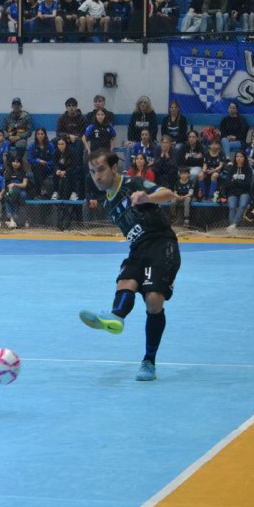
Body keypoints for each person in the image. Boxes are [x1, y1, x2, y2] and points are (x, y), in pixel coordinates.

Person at [80, 150, 180, 381]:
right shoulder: (108, 202)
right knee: (125, 281)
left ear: (114, 168)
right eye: (93, 172)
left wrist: (146, 197)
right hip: (137, 250)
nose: (97, 176)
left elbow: (168, 194)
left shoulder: (133, 183)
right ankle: (116, 317)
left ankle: (149, 362)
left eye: (101, 169)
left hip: (161, 243)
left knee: (153, 301)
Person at [225, 151, 253, 230]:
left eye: (241, 157)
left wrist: (235, 181)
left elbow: (247, 184)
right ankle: (233, 226)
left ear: (244, 158)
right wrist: (239, 183)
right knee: (232, 207)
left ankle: (233, 225)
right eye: (237, 156)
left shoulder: (248, 170)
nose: (239, 158)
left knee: (243, 205)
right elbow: (227, 183)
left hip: (244, 191)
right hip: (232, 192)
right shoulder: (231, 169)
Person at [2, 98, 33, 162]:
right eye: (14, 104)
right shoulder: (7, 117)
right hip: (9, 138)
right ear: (11, 106)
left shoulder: (26, 117)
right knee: (4, 144)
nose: (16, 106)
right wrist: (8, 136)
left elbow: (29, 131)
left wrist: (20, 137)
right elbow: (3, 130)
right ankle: (10, 163)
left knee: (21, 144)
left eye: (18, 104)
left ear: (21, 106)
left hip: (20, 138)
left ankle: (17, 162)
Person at [27, 127, 55, 198]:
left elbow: (54, 159)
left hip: (47, 168)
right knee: (38, 167)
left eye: (42, 134)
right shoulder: (32, 146)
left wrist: (46, 163)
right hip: (36, 167)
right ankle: (43, 189)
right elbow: (30, 159)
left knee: (39, 169)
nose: (40, 135)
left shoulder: (50, 145)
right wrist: (38, 160)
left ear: (45, 135)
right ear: (36, 135)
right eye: (38, 134)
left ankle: (37, 193)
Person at [3, 155, 29, 229]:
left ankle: (13, 219)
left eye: (17, 162)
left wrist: (15, 184)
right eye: (13, 161)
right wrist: (11, 188)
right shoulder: (8, 172)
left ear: (20, 163)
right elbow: (6, 185)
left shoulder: (23, 172)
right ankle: (12, 219)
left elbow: (24, 185)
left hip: (21, 190)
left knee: (21, 195)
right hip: (11, 191)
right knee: (7, 196)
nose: (15, 163)